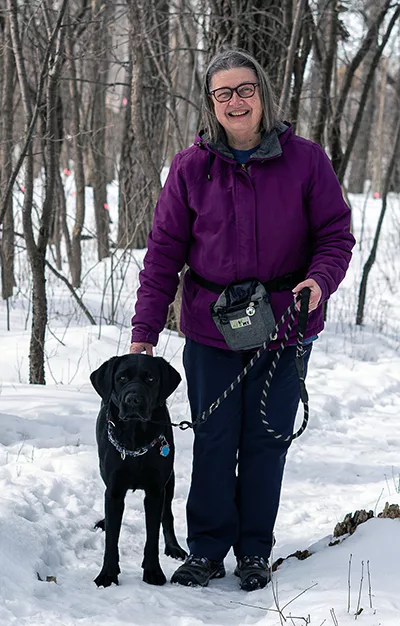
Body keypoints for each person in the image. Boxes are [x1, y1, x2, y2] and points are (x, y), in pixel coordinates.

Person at [130, 48, 355, 591]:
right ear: (211, 103)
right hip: (211, 329)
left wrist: (318, 282)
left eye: (245, 89)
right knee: (211, 440)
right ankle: (206, 550)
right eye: (223, 92)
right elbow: (163, 252)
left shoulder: (305, 160)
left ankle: (254, 550)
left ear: (263, 94)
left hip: (285, 326)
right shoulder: (190, 168)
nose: (236, 101)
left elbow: (335, 236)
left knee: (266, 440)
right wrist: (145, 330)